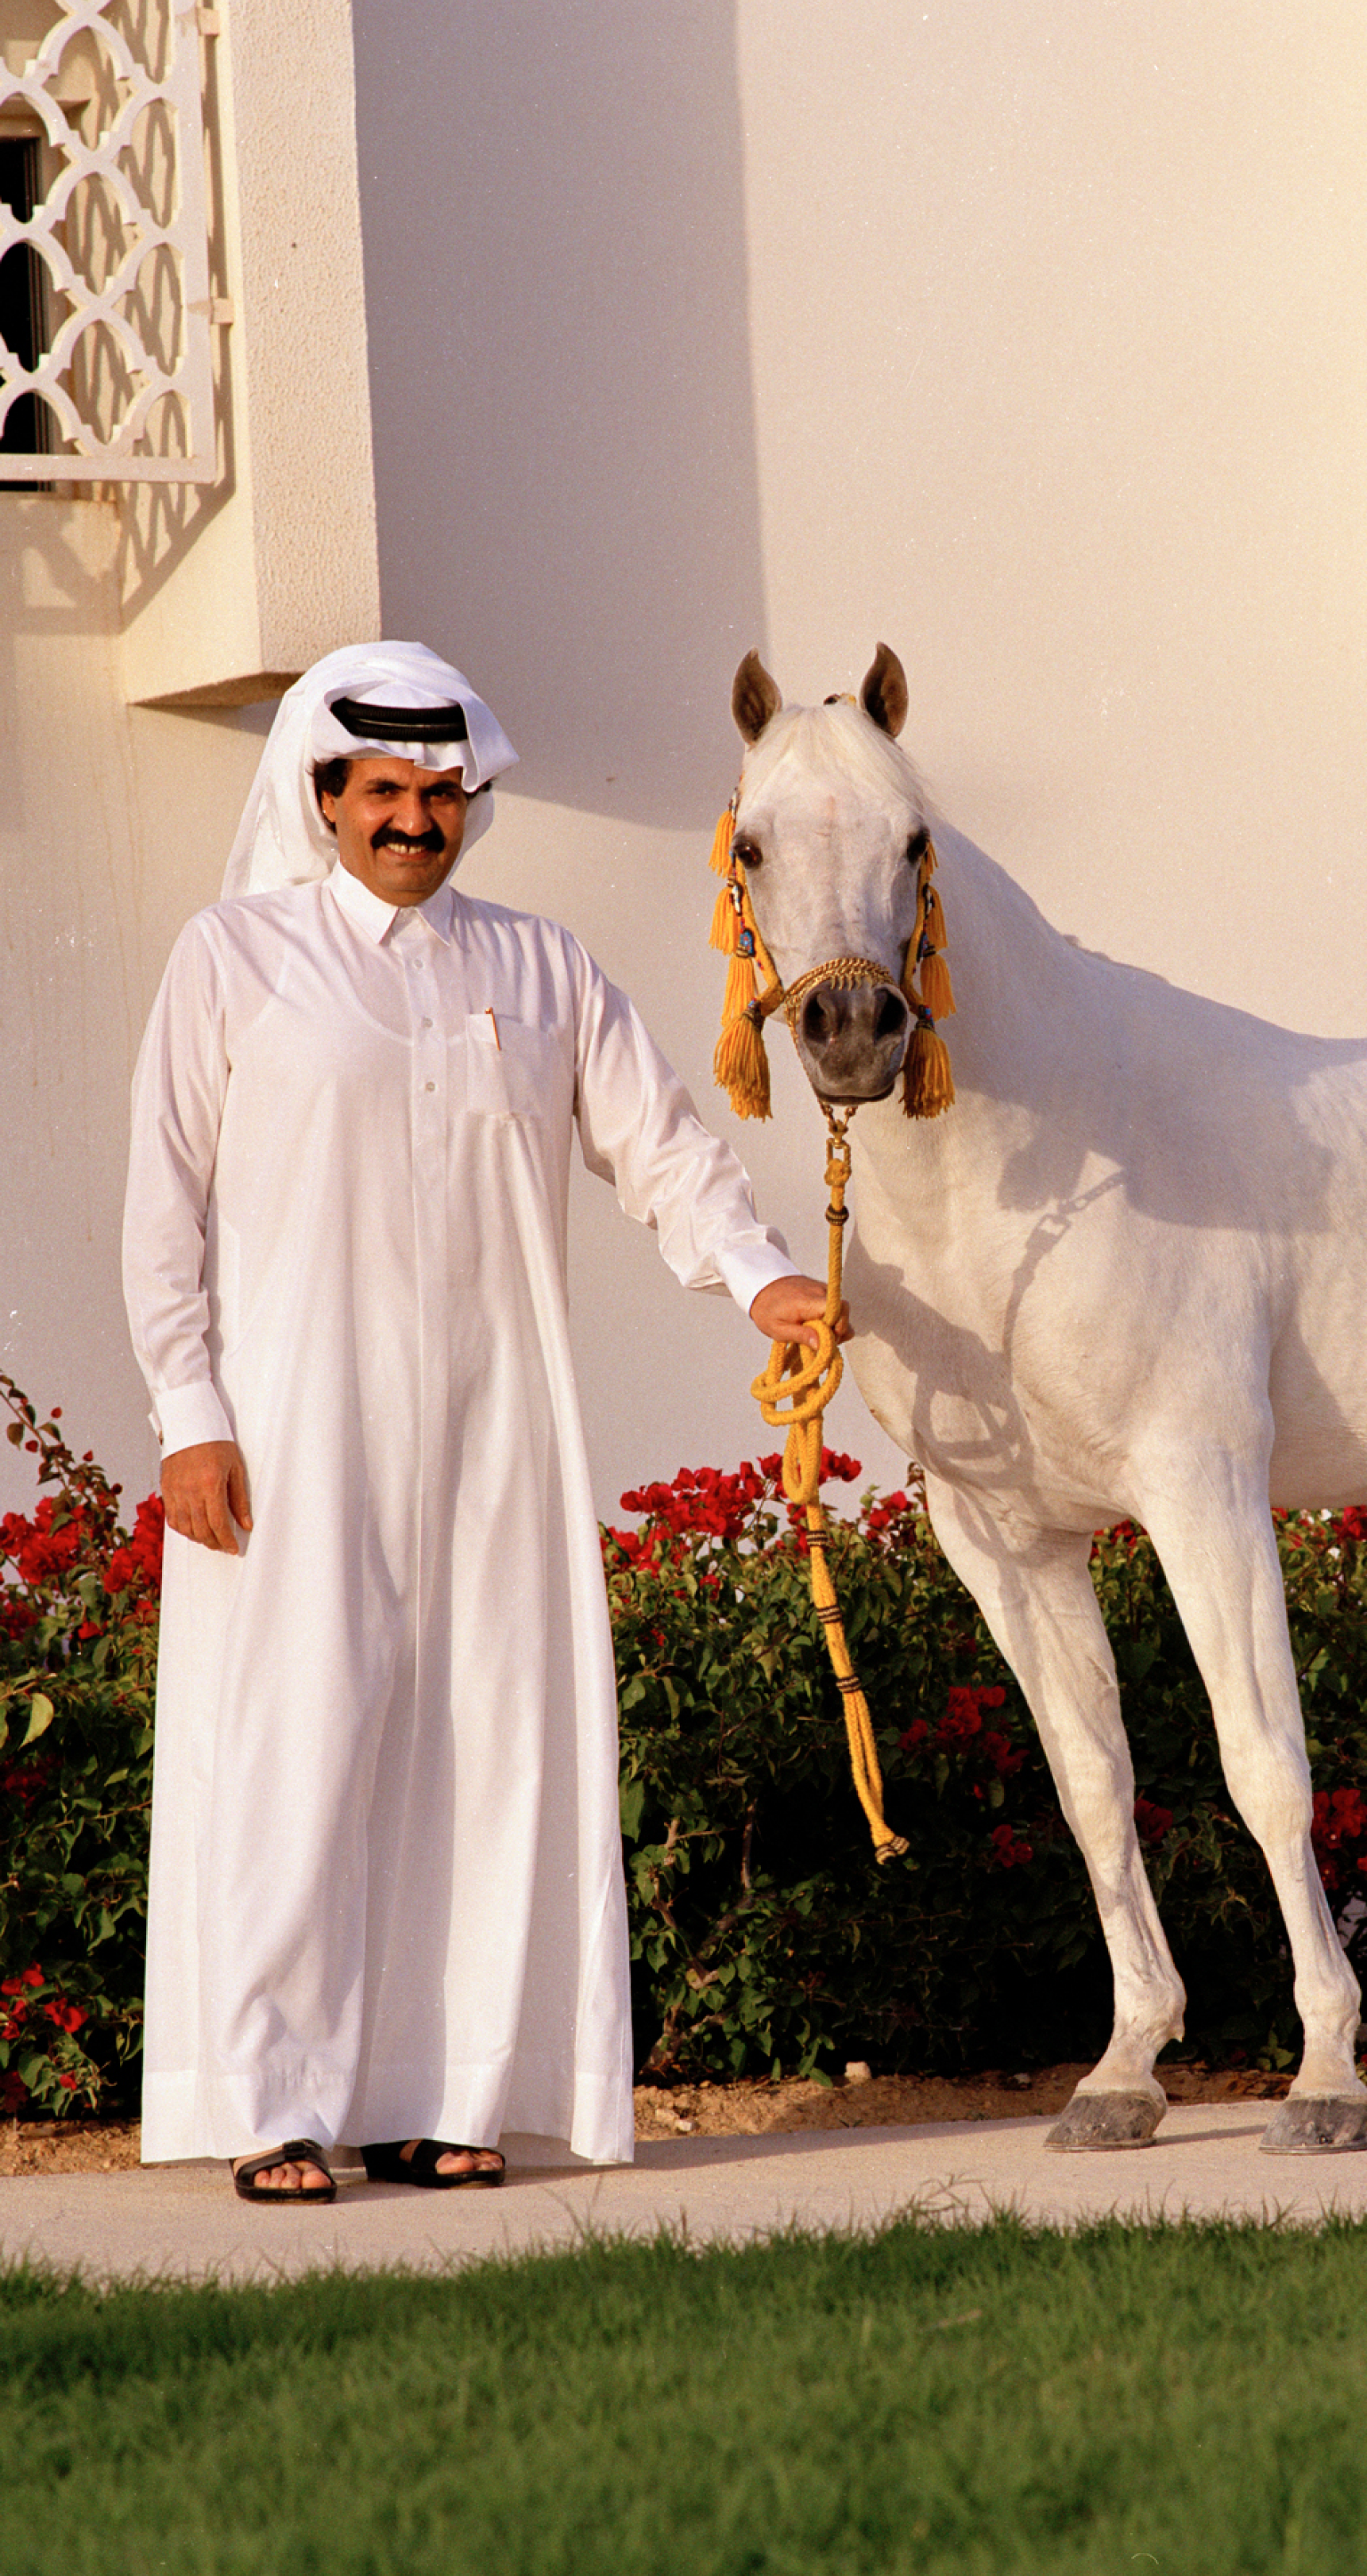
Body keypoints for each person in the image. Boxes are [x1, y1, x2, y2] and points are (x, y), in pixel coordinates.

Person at [123, 642, 836, 2203]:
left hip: (499, 1427)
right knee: (302, 1744)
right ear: (325, 795)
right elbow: (160, 1211)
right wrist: (190, 1411)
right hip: (296, 1430)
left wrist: (763, 1275)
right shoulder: (233, 957)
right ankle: (280, 2102)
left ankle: (451, 2094)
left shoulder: (539, 965)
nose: (414, 819)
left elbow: (659, 1144)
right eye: (383, 791)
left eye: (442, 792)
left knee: (490, 1746)